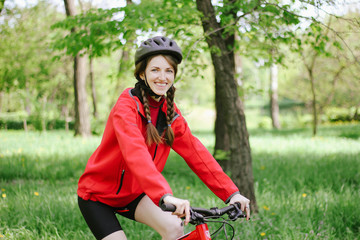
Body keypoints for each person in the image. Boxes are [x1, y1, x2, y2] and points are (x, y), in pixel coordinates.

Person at [77, 36, 250, 240]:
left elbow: (197, 154)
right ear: (142, 74)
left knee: (174, 227)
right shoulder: (126, 107)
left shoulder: (170, 114)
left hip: (134, 195)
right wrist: (164, 195)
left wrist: (231, 193)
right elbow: (135, 153)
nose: (163, 77)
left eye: (169, 71)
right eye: (155, 70)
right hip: (98, 196)